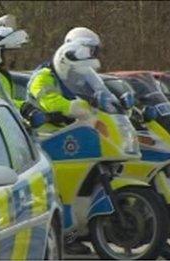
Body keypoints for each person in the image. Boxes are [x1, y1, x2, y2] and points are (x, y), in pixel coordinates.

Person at [27, 41, 110, 255]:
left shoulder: (67, 77)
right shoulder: (43, 76)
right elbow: (49, 101)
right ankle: (66, 237)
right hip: (41, 137)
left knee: (69, 188)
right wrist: (71, 107)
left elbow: (86, 96)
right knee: (59, 191)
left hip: (61, 134)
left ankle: (75, 232)